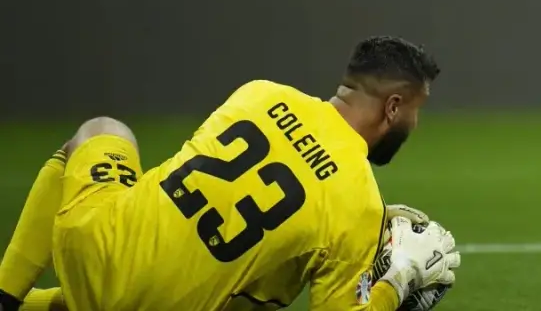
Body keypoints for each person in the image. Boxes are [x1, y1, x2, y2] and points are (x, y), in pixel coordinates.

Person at [0, 36, 461, 311]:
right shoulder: (357, 202)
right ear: (393, 106)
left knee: (102, 129)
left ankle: (7, 291)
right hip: (167, 306)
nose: (414, 126)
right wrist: (396, 278)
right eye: (414, 112)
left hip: (90, 247)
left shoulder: (259, 93)